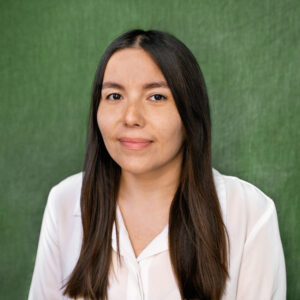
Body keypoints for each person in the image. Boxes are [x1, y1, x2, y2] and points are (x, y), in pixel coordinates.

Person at [28, 29, 286, 300]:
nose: (131, 117)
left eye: (157, 97)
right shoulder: (65, 202)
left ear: (190, 114)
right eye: (115, 96)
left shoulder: (248, 212)